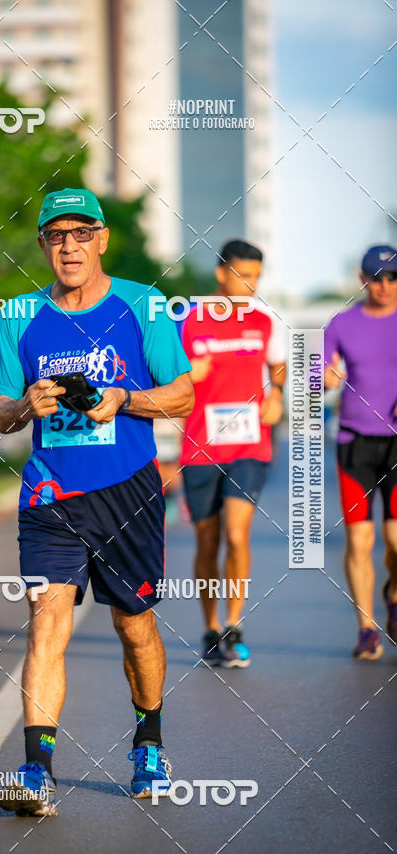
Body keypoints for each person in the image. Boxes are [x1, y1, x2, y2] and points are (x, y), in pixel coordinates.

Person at [0, 188, 193, 815]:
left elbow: (183, 395)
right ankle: (35, 770)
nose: (69, 246)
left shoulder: (145, 304)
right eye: (57, 235)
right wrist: (27, 405)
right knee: (47, 622)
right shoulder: (20, 314)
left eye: (82, 234)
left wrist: (122, 401)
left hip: (128, 488)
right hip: (49, 491)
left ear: (102, 239)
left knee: (134, 625)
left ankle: (149, 745)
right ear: (44, 245)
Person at [179, 239, 286, 667]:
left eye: (257, 277)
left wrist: (276, 391)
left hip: (249, 444)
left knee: (238, 534)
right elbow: (163, 372)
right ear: (222, 273)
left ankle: (234, 625)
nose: (251, 285)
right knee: (208, 540)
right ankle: (209, 628)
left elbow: (279, 364)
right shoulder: (189, 320)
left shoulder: (264, 321)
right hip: (200, 447)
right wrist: (187, 372)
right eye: (244, 275)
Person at [323, 244, 397, 660]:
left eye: (392, 277)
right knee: (360, 538)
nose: (384, 285)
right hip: (354, 442)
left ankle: (393, 595)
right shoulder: (343, 323)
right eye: (376, 277)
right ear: (362, 279)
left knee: (395, 539)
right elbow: (318, 368)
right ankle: (367, 628)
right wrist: (327, 376)